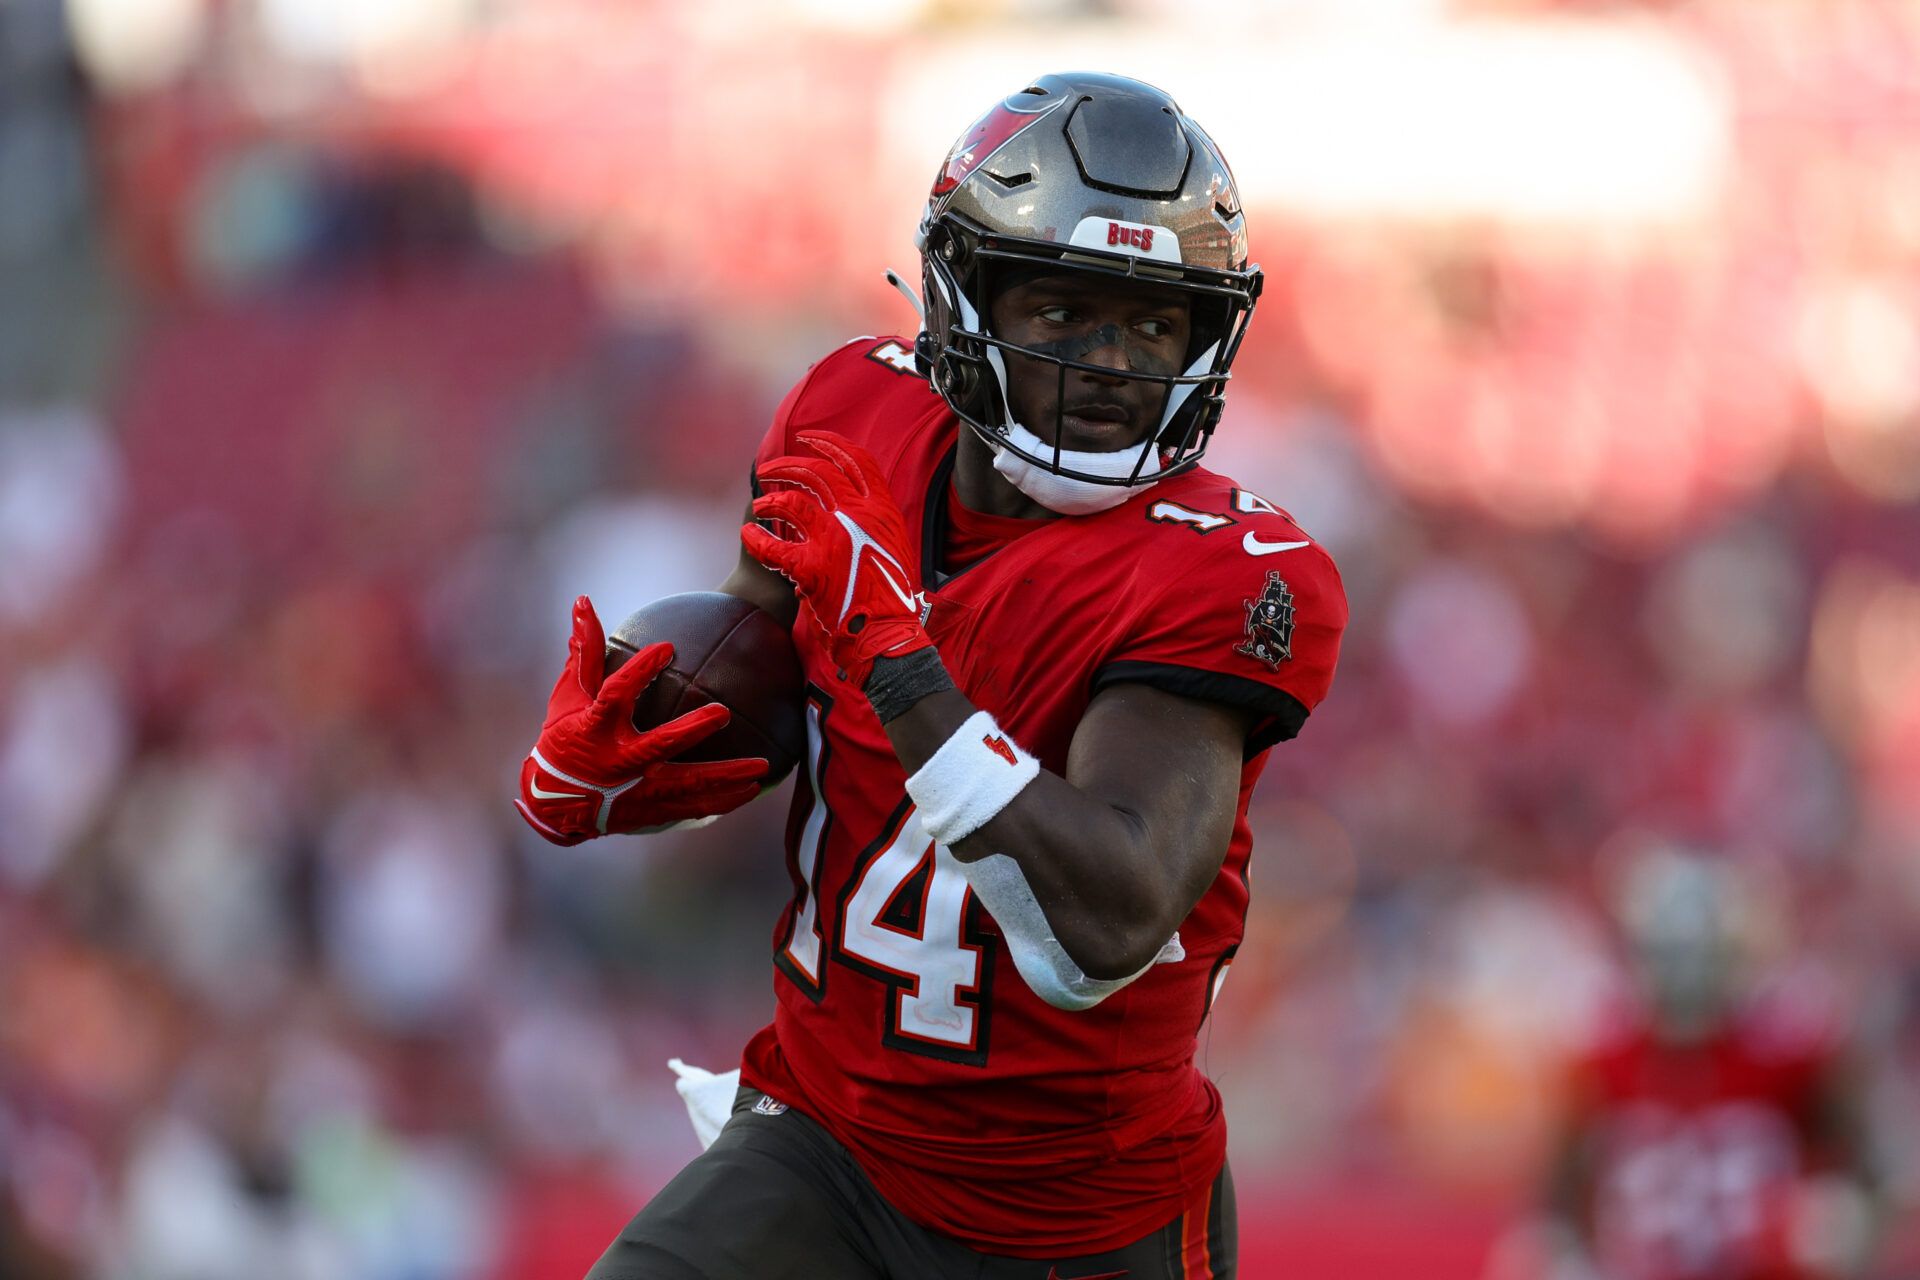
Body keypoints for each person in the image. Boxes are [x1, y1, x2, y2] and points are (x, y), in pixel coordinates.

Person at [515, 71, 1347, 1279]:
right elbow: (762, 667)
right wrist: (620, 748)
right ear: (965, 299)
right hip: (824, 1145)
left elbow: (1103, 923)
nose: (1114, 362)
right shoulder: (854, 410)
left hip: (1072, 1215)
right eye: (1066, 310)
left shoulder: (1224, 574)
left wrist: (902, 662)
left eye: (1154, 323)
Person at [1523, 848, 1885, 1280]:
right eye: (1670, 953)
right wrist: (1566, 1254)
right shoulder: (1604, 1060)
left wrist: (1837, 1220)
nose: (1686, 974)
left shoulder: (1790, 1054)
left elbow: (1866, 1174)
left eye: (1701, 954)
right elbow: (1559, 1196)